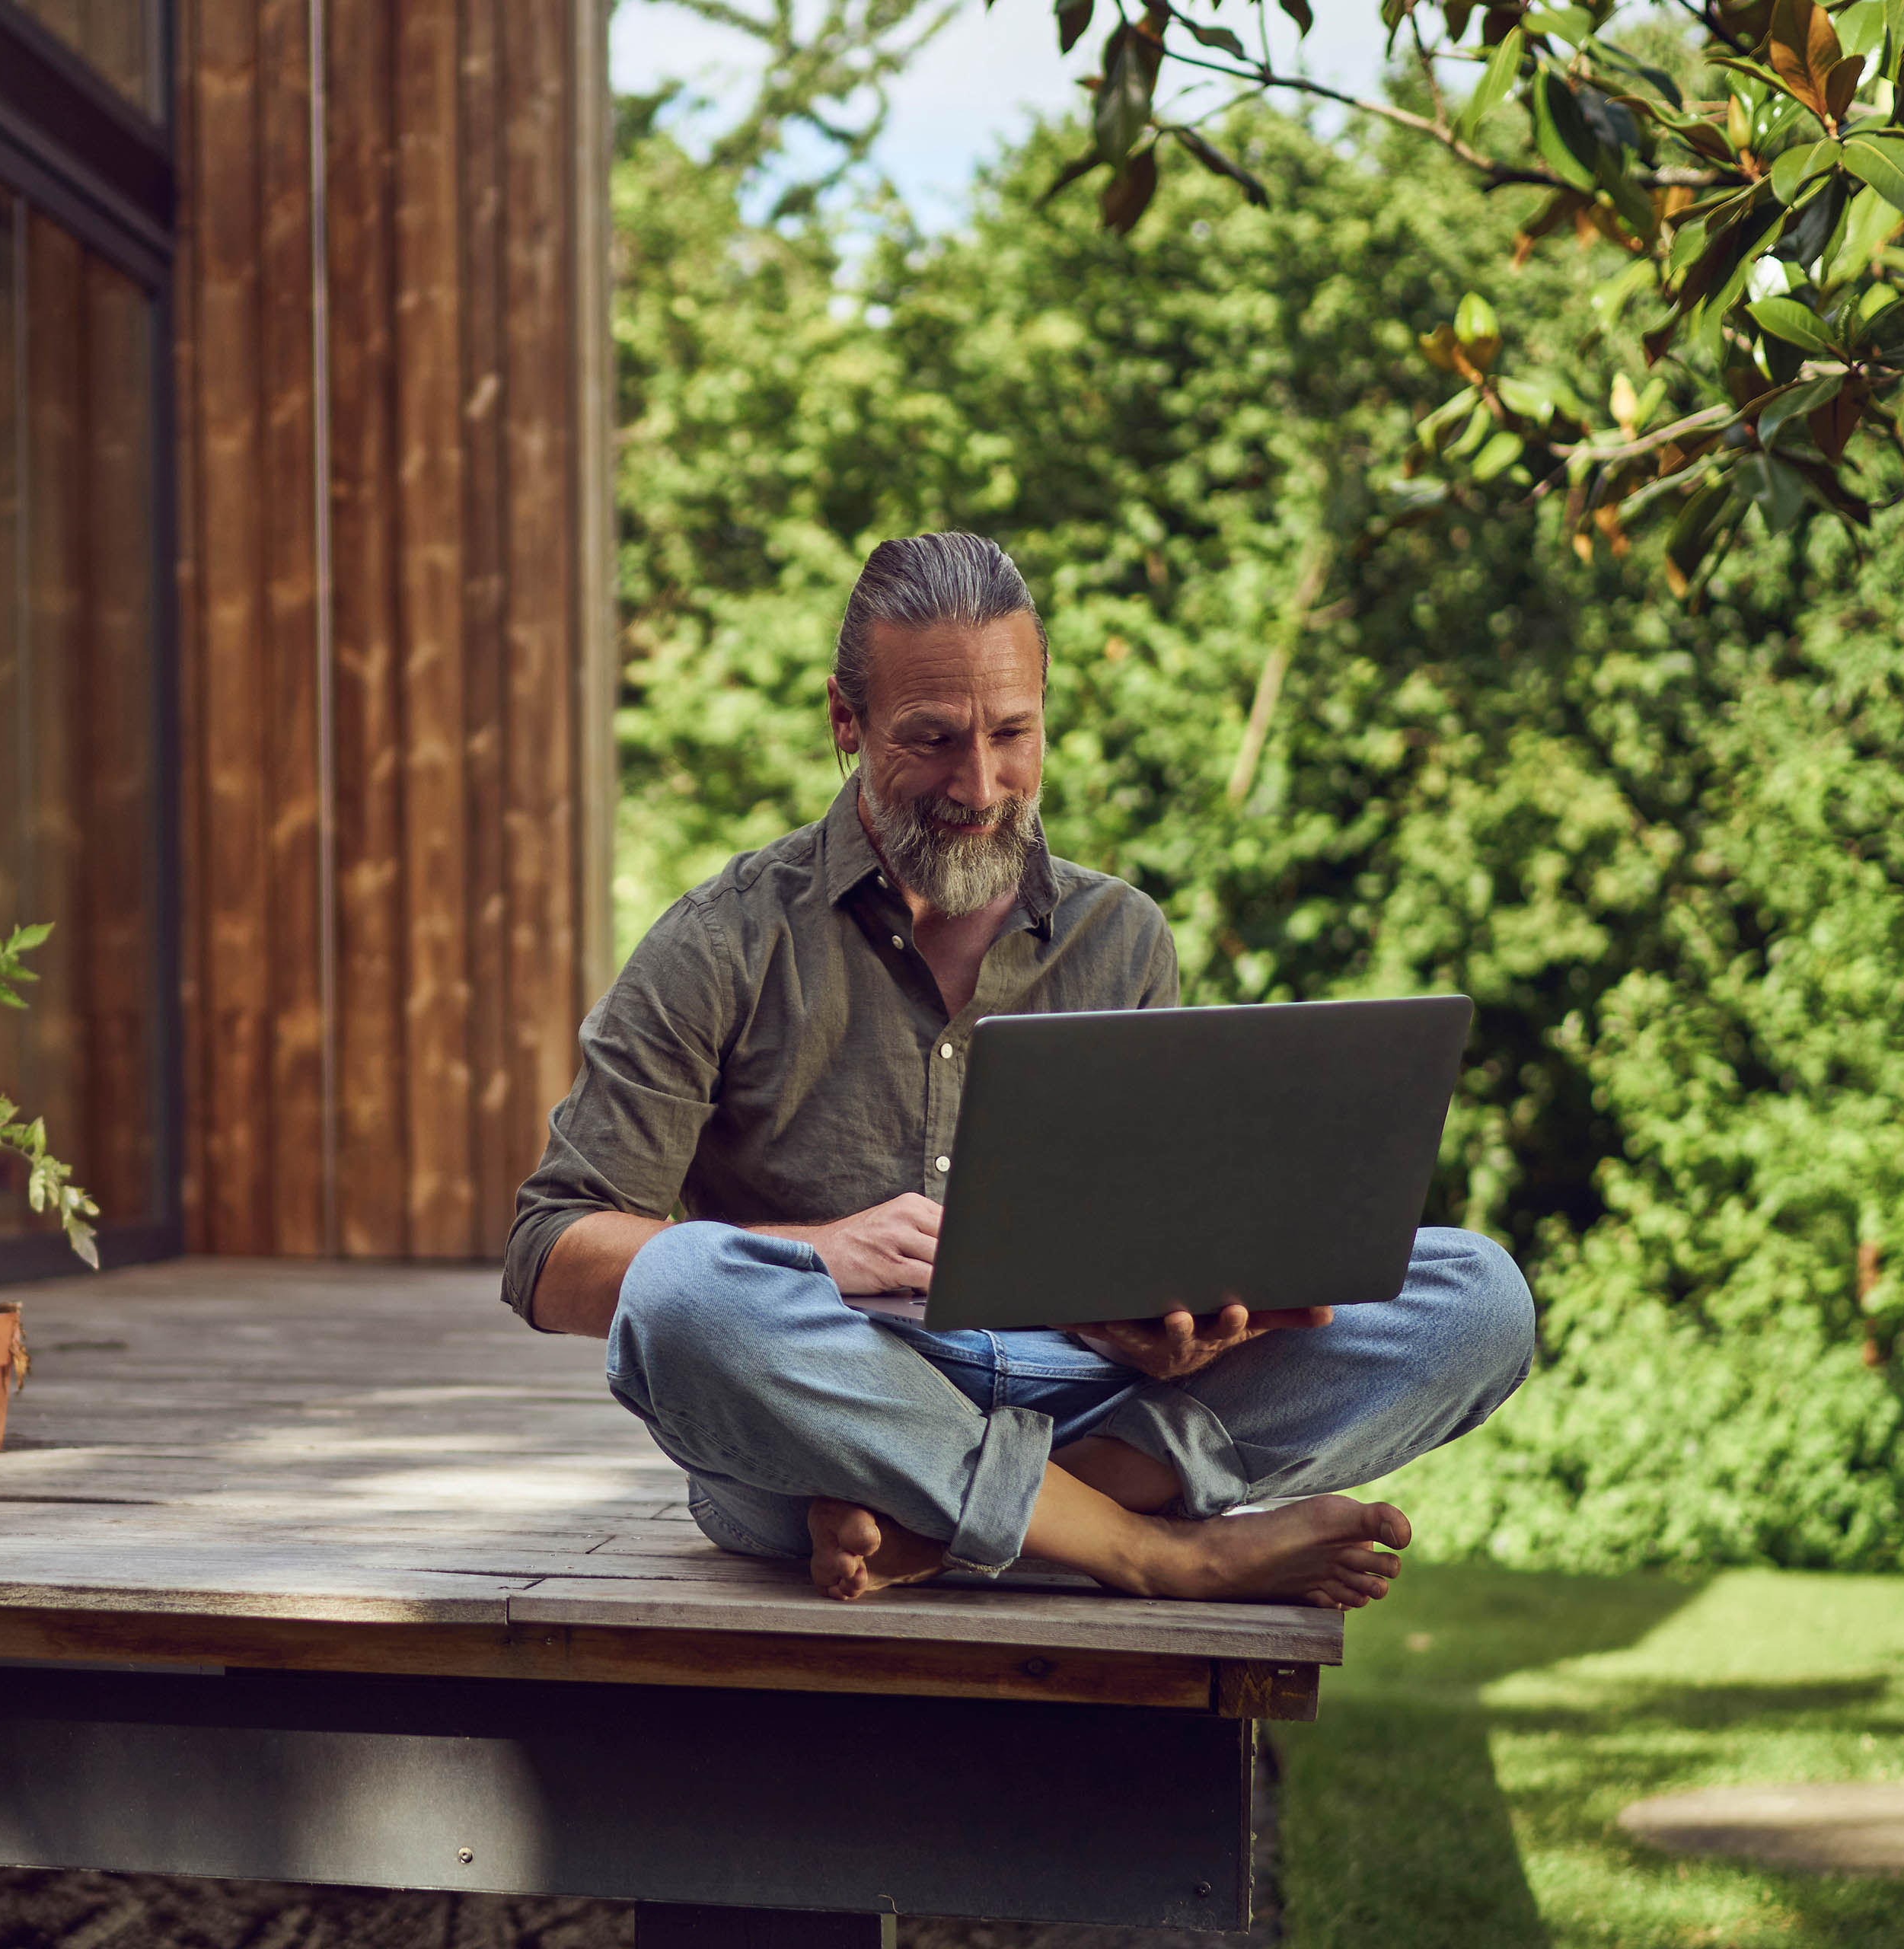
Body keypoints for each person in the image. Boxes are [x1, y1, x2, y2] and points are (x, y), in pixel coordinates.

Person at [504, 532, 1533, 1606]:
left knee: (1476, 1298)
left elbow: (1148, 1245)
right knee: (683, 1295)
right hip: (826, 1419)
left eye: (1012, 734)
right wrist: (823, 1254)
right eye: (934, 738)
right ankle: (1150, 1550)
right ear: (845, 722)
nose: (980, 783)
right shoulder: (724, 939)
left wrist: (1167, 1327)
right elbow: (548, 1253)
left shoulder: (1123, 935)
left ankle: (958, 1527)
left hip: (1078, 1397)